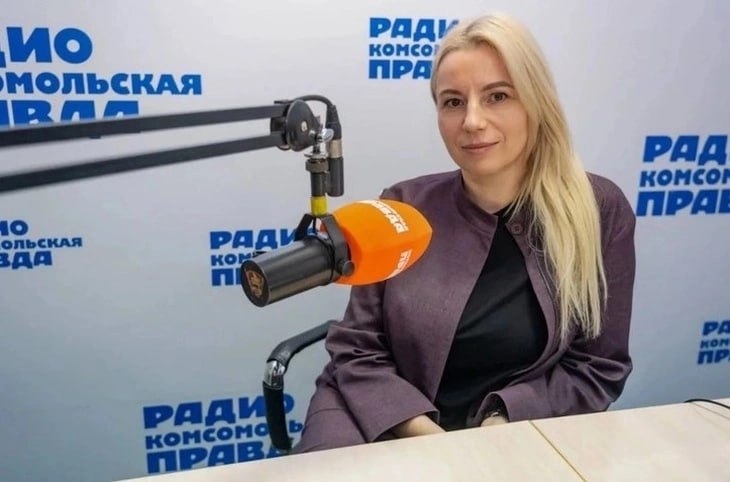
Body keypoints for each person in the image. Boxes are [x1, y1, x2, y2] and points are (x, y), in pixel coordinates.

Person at [294, 12, 636, 452]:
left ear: (537, 102)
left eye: (497, 96)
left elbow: (596, 367)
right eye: (453, 102)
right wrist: (433, 444)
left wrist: (500, 425)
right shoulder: (401, 205)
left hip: (515, 431)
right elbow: (357, 350)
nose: (472, 121)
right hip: (376, 418)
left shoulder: (599, 210)